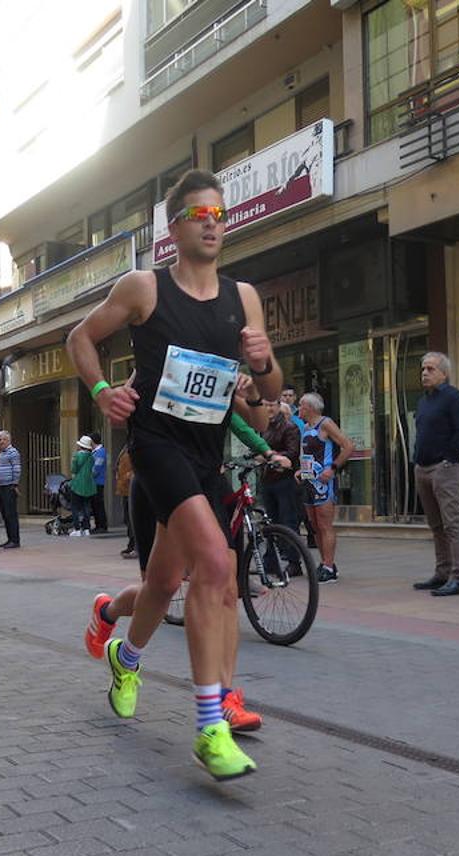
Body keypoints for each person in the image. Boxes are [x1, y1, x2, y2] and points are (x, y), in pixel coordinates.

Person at [66, 168, 282, 781]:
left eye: (220, 215)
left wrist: (264, 367)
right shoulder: (145, 289)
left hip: (206, 454)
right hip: (157, 447)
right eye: (200, 216)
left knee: (163, 583)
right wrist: (104, 390)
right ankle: (211, 726)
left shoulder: (244, 298)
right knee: (216, 565)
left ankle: (124, 655)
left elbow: (269, 394)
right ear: (175, 226)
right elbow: (80, 337)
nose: (213, 225)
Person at [87, 392, 274, 737]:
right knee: (161, 587)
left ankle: (225, 700)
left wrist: (256, 406)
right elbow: (122, 404)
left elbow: (248, 422)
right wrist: (110, 395)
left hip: (206, 484)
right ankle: (111, 620)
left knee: (227, 586)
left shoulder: (219, 364)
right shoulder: (162, 352)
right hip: (158, 480)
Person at [411, 352, 459, 597]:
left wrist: (449, 459)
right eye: (423, 369)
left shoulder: (454, 398)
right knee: (436, 525)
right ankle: (442, 573)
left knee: (453, 523)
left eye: (430, 369)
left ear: (444, 373)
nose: (425, 373)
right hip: (423, 467)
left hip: (445, 468)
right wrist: (417, 460)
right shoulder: (424, 401)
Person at [297, 392, 354, 583]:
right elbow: (307, 454)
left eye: (301, 405)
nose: (299, 409)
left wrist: (334, 468)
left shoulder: (326, 424)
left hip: (323, 482)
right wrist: (300, 470)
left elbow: (347, 446)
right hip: (308, 480)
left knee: (324, 524)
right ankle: (324, 562)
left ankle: (329, 565)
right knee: (314, 525)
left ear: (310, 408)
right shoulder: (305, 427)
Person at [259, 399, 302, 570]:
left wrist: (271, 456)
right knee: (270, 521)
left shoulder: (289, 427)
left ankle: (294, 562)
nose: (268, 409)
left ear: (278, 407)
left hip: (285, 480)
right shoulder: (263, 426)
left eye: (271, 405)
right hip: (267, 479)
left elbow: (292, 452)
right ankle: (271, 559)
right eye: (265, 405)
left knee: (288, 521)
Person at [0, 430, 21, 548]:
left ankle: (15, 540)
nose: (1, 441)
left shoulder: (13, 452)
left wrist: (14, 484)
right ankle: (9, 538)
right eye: (0, 439)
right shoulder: (2, 453)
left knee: (11, 514)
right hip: (0, 486)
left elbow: (17, 469)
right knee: (4, 514)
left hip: (8, 486)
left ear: (8, 440)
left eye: (3, 439)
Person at [69, 436, 97, 537]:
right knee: (86, 507)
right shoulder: (91, 457)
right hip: (89, 484)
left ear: (80, 446)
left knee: (75, 507)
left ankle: (77, 529)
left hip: (77, 484)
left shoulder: (76, 456)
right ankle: (86, 528)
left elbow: (73, 470)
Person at [114, 447, 135, 558]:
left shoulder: (136, 447)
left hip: (132, 488)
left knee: (133, 519)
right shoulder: (125, 449)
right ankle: (131, 544)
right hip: (125, 488)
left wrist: (129, 475)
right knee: (128, 519)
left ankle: (136, 546)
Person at [90, 432, 108, 533]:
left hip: (98, 482)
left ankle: (102, 525)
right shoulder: (95, 452)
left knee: (98, 504)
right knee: (95, 504)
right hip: (94, 482)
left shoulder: (100, 452)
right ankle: (98, 525)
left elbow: (97, 467)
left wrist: (88, 476)